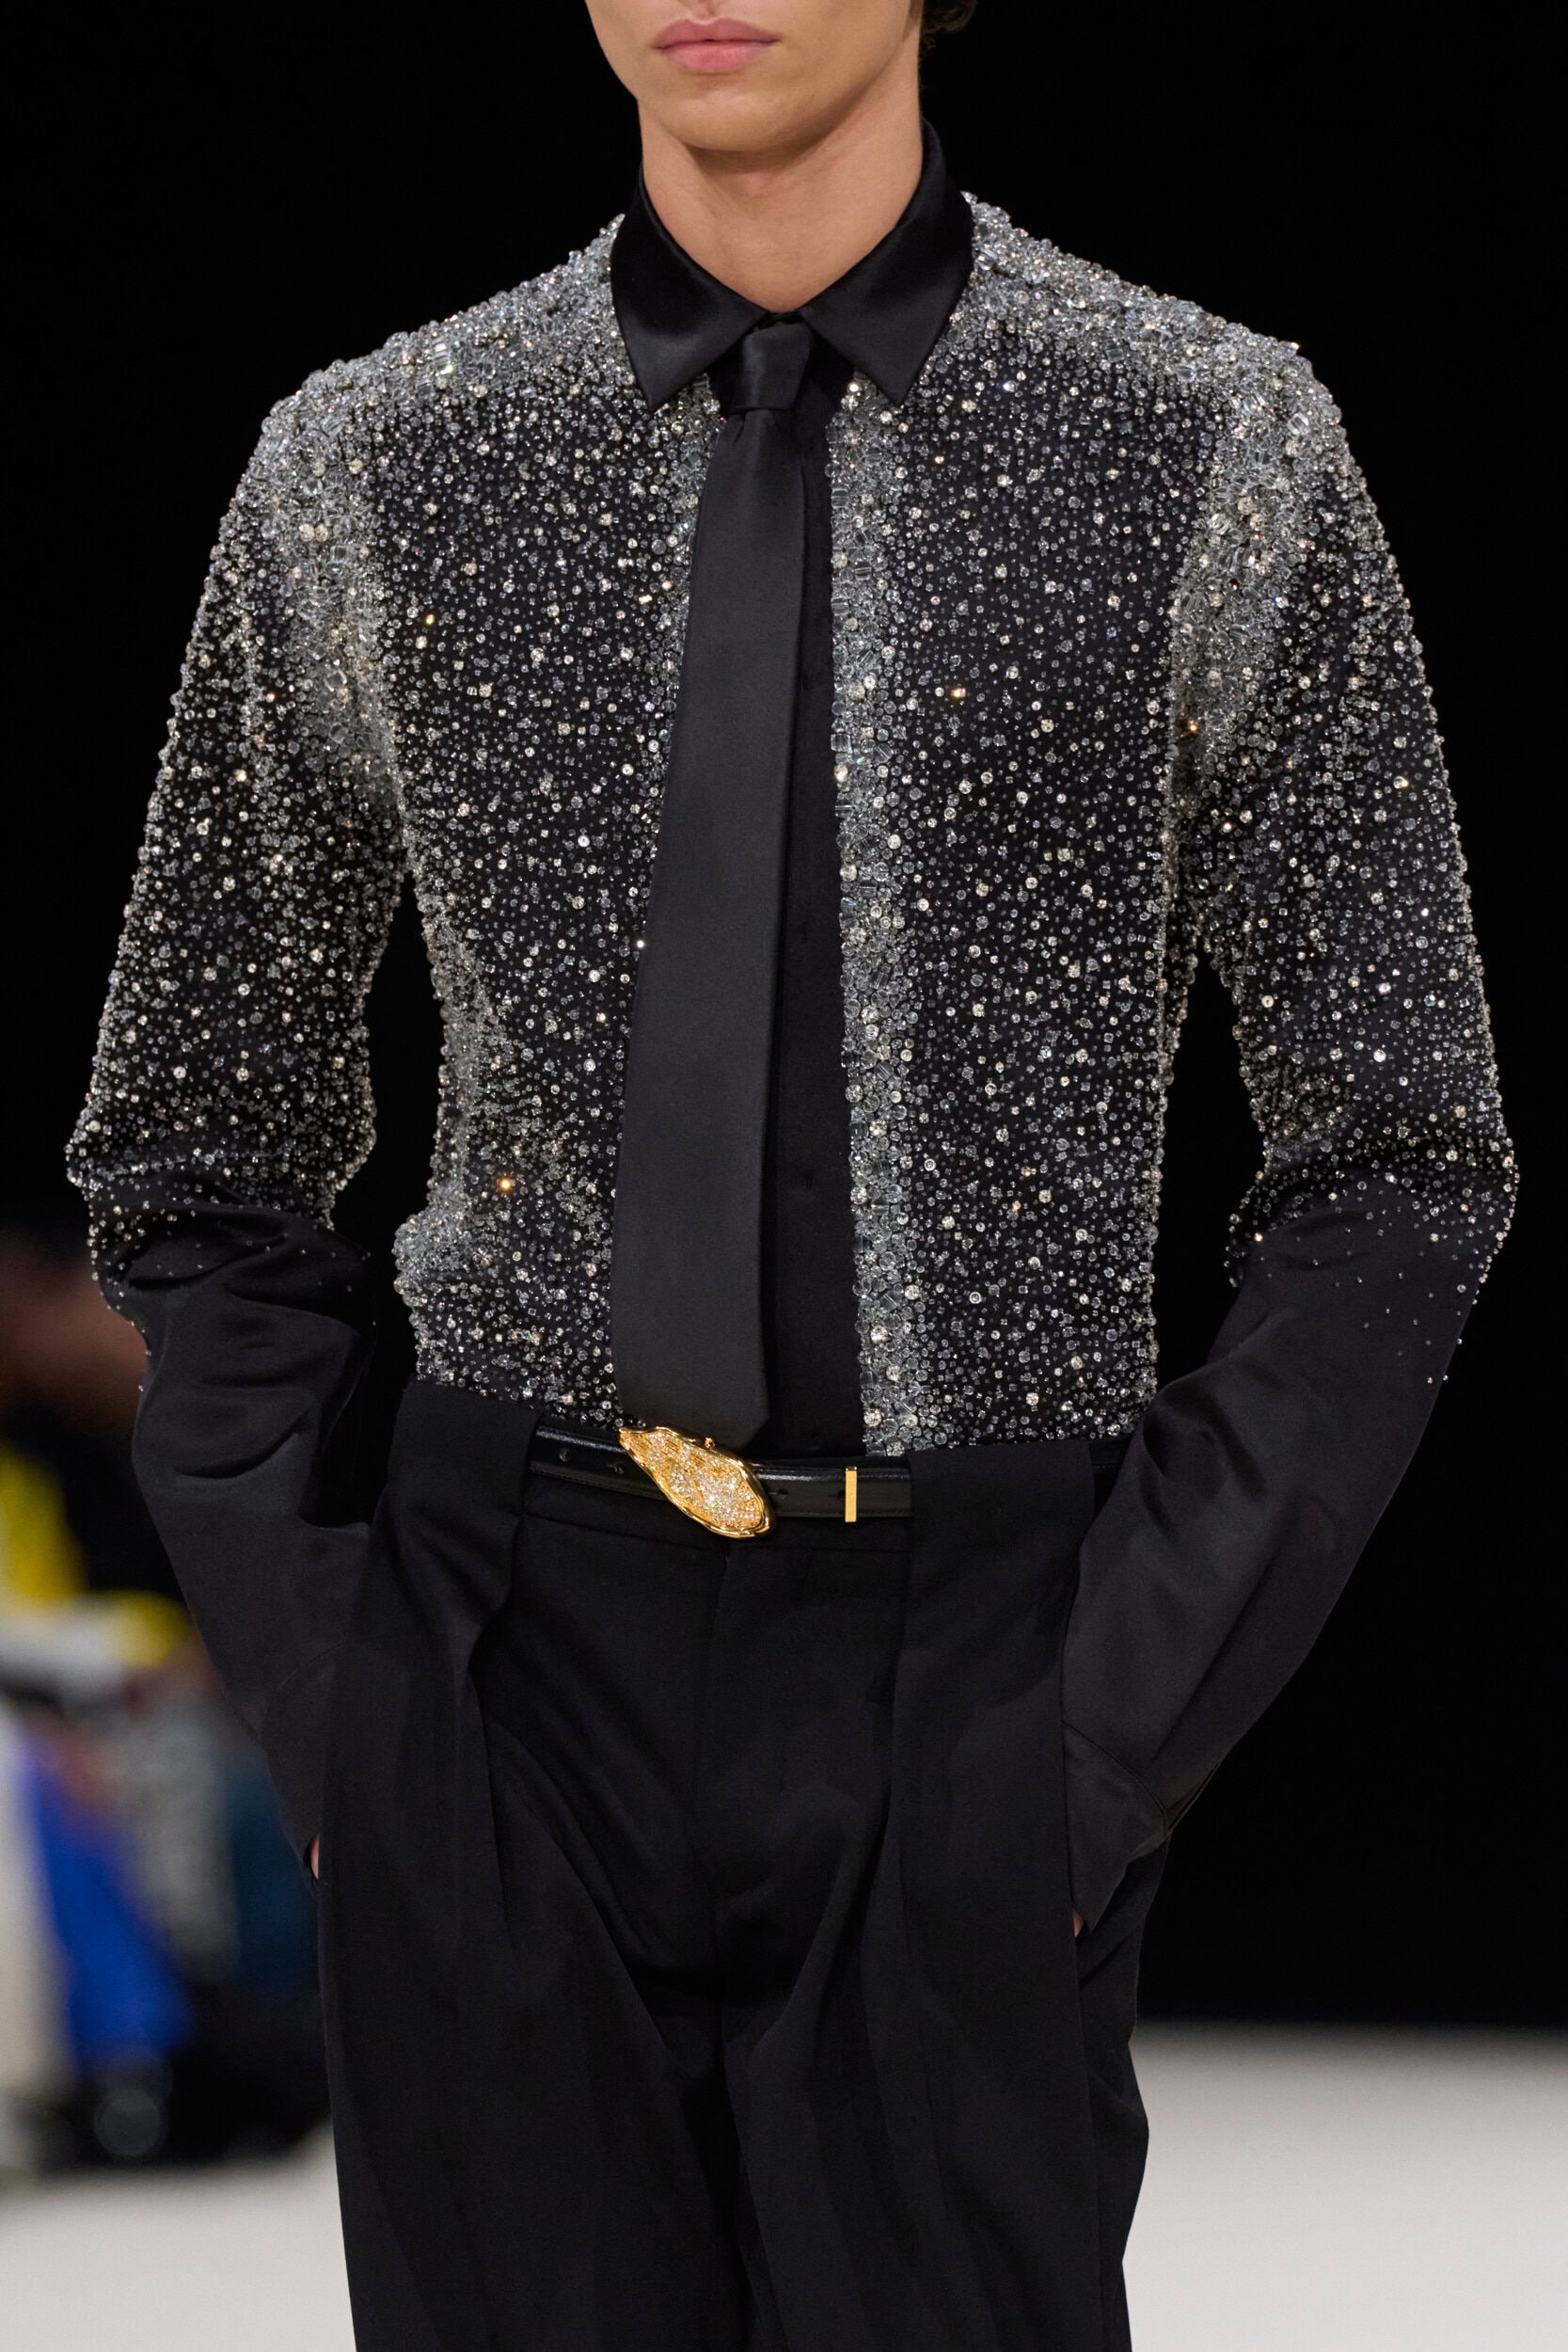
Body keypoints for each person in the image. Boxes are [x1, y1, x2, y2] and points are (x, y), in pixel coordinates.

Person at [68, 1, 1513, 2343]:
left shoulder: (1205, 439)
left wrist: (1104, 1722)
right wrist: (348, 1700)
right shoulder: (379, 456)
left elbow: (1402, 1148)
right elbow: (193, 1134)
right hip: (501, 1661)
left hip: (981, 1667)